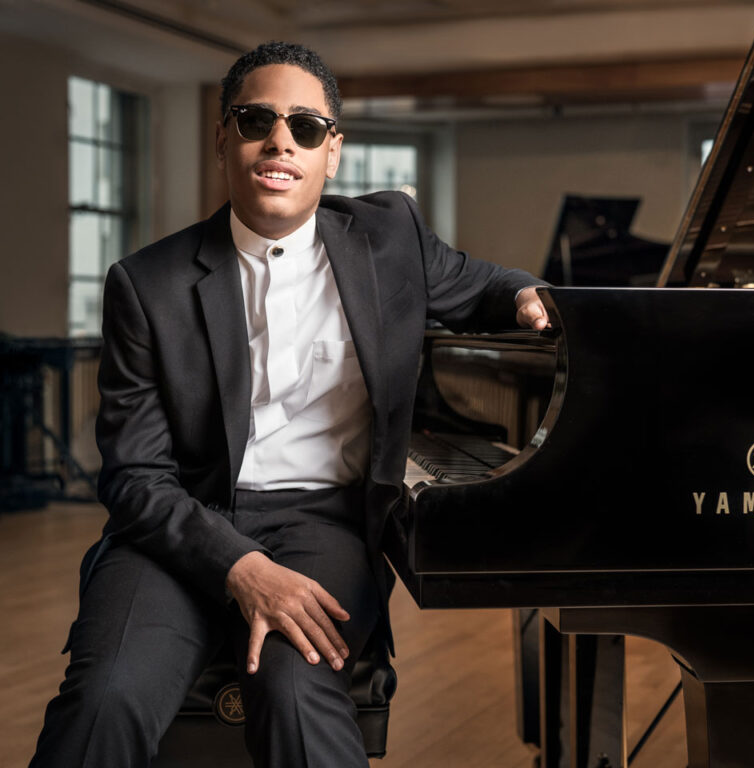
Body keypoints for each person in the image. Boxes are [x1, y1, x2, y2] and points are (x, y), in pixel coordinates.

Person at [31, 41, 549, 768]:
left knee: (297, 687)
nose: (282, 140)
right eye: (256, 120)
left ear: (331, 152)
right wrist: (239, 566)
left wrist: (528, 295)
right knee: (108, 696)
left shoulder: (389, 238)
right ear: (224, 139)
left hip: (325, 525)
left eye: (306, 126)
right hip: (181, 526)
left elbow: (489, 285)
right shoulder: (146, 285)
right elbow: (134, 481)